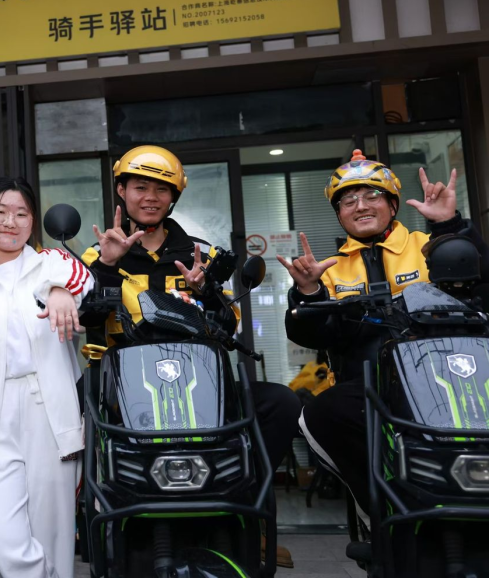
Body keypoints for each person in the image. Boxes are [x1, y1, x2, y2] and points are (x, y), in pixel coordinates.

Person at [79, 145, 301, 568]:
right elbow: (85, 317)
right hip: (122, 390)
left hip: (200, 388)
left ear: (174, 197)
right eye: (140, 187)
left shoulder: (202, 253)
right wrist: (107, 265)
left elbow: (229, 326)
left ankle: (248, 514)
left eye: (161, 190)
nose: (150, 197)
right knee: (66, 414)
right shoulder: (98, 252)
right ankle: (87, 523)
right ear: (121, 191)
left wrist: (207, 292)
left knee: (280, 403)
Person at [280, 150, 479, 520]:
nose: (360, 206)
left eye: (372, 195)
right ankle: (380, 512)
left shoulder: (428, 245)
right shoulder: (329, 269)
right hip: (369, 388)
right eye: (348, 201)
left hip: (444, 382)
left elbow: (477, 293)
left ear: (393, 204)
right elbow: (314, 334)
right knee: (318, 414)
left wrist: (449, 227)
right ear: (339, 214)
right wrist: (308, 292)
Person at [0, 177, 92, 578]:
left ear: (32, 220)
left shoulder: (52, 262)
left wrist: (58, 290)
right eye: (0, 212)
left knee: (53, 537)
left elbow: (83, 280)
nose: (11, 222)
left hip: (49, 413)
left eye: (21, 213)